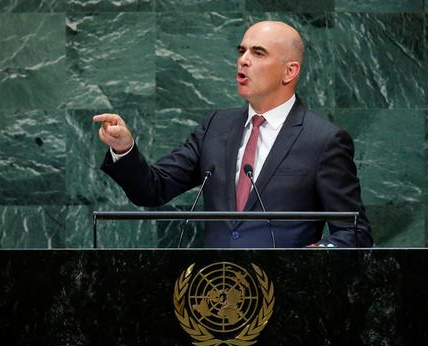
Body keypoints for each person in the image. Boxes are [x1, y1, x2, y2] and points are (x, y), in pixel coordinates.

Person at [93, 21, 372, 248]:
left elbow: (354, 231)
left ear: (290, 71)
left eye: (258, 53)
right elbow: (153, 189)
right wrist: (124, 149)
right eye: (242, 51)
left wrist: (318, 254)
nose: (243, 60)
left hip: (286, 294)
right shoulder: (217, 126)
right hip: (212, 294)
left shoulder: (324, 140)